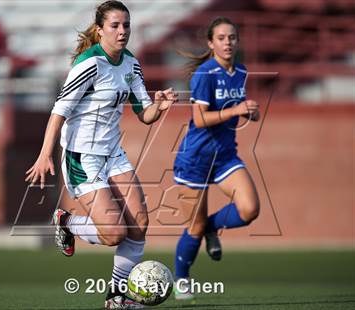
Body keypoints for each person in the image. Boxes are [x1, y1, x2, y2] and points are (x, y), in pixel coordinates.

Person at [25, 1, 177, 309]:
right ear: (100, 30)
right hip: (82, 158)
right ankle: (66, 222)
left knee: (140, 223)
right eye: (115, 26)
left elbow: (144, 114)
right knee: (114, 233)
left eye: (126, 26)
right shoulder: (89, 63)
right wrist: (45, 154)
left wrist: (158, 106)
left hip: (113, 153)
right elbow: (59, 111)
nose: (122, 32)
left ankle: (116, 298)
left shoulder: (131, 64)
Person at [172, 17, 260, 300]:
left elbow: (237, 107)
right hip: (195, 159)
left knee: (249, 210)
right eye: (221, 38)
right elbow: (199, 118)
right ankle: (181, 279)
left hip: (224, 157)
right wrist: (236, 112)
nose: (227, 43)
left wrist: (249, 111)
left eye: (232, 37)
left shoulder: (241, 70)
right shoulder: (205, 74)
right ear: (211, 43)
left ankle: (212, 227)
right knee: (193, 227)